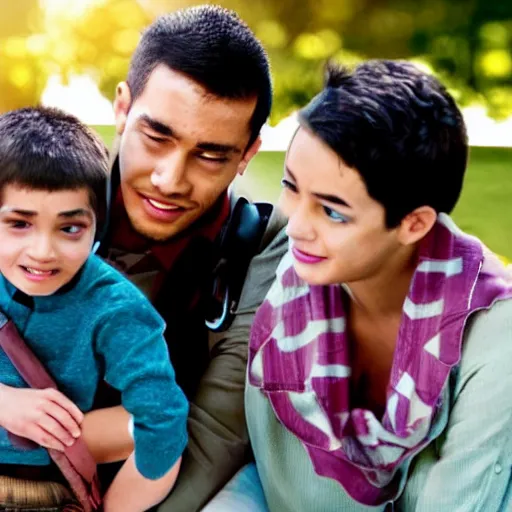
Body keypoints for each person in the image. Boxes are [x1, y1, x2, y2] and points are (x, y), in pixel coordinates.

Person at [0, 5, 288, 512]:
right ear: (122, 108)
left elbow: (214, 428)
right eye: (157, 137)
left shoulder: (260, 252)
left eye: (211, 154)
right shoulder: (35, 186)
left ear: (248, 153)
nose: (169, 180)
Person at [210, 60, 512, 511]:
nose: (295, 226)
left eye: (333, 212)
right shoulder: (290, 291)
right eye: (292, 187)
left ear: (414, 224)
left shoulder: (494, 332)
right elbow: (272, 474)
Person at [0, 107, 189, 511]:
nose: (43, 252)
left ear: (96, 227)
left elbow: (163, 418)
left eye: (70, 228)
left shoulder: (114, 306)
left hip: (42, 492)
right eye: (19, 224)